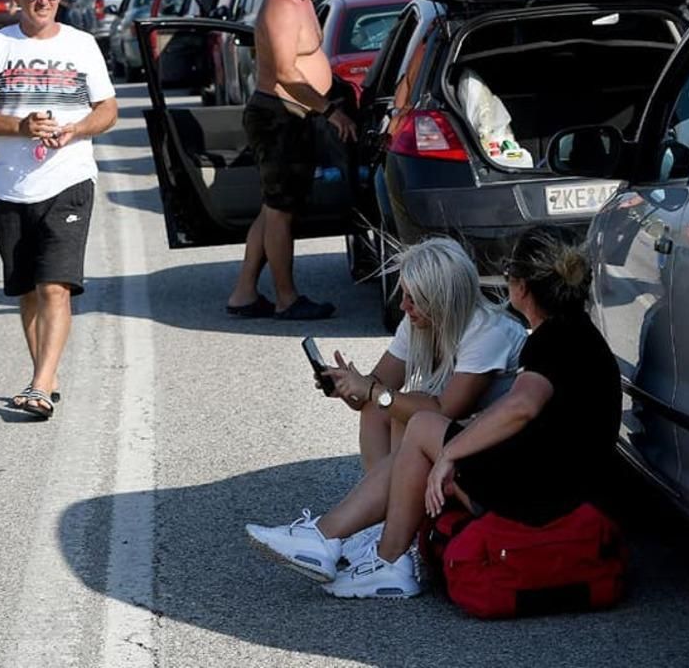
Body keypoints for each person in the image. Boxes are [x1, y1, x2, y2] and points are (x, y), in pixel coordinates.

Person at [247, 225, 622, 599]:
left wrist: (449, 453)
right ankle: (370, 546)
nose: (405, 307)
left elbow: (521, 406)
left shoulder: (548, 339)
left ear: (521, 287)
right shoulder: (573, 333)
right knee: (407, 413)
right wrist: (355, 389)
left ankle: (353, 545)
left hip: (548, 493)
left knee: (422, 422)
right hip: (553, 477)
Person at [0, 0, 118, 419]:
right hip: (12, 186)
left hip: (69, 180)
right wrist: (21, 126)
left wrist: (77, 129)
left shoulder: (82, 45)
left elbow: (108, 110)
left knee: (55, 287)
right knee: (27, 290)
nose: (43, 1)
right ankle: (45, 375)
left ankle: (40, 385)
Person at [225, 0, 356, 321]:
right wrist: (330, 110)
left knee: (271, 209)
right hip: (279, 115)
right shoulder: (282, 5)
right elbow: (284, 72)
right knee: (281, 211)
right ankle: (286, 298)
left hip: (293, 114)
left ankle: (244, 293)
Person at [325, 237, 526, 470]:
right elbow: (377, 386)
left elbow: (444, 410)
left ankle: (389, 489)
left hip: (499, 441)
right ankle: (382, 487)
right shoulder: (418, 322)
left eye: (414, 299)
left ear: (443, 299)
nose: (403, 306)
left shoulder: (488, 332)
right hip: (463, 427)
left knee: (405, 414)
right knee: (376, 408)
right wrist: (348, 386)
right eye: (404, 295)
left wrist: (370, 390)